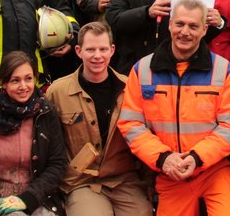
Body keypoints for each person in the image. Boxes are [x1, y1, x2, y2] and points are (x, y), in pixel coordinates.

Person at [118, 0, 230, 216]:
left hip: (214, 171)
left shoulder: (225, 72)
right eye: (180, 24)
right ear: (169, 25)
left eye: (193, 26)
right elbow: (131, 124)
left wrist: (196, 158)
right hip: (170, 172)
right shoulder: (142, 70)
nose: (185, 32)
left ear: (205, 29)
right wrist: (163, 158)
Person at [45, 22, 152, 215]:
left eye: (103, 49)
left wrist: (151, 185)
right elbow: (48, 145)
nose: (97, 56)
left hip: (124, 180)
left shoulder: (131, 88)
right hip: (81, 182)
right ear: (78, 51)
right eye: (90, 49)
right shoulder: (57, 92)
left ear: (112, 50)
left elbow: (145, 138)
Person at [0, 51, 68, 216]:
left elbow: (57, 164)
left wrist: (27, 199)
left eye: (28, 79)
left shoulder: (46, 112)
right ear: (3, 83)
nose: (23, 87)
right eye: (15, 80)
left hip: (36, 197)